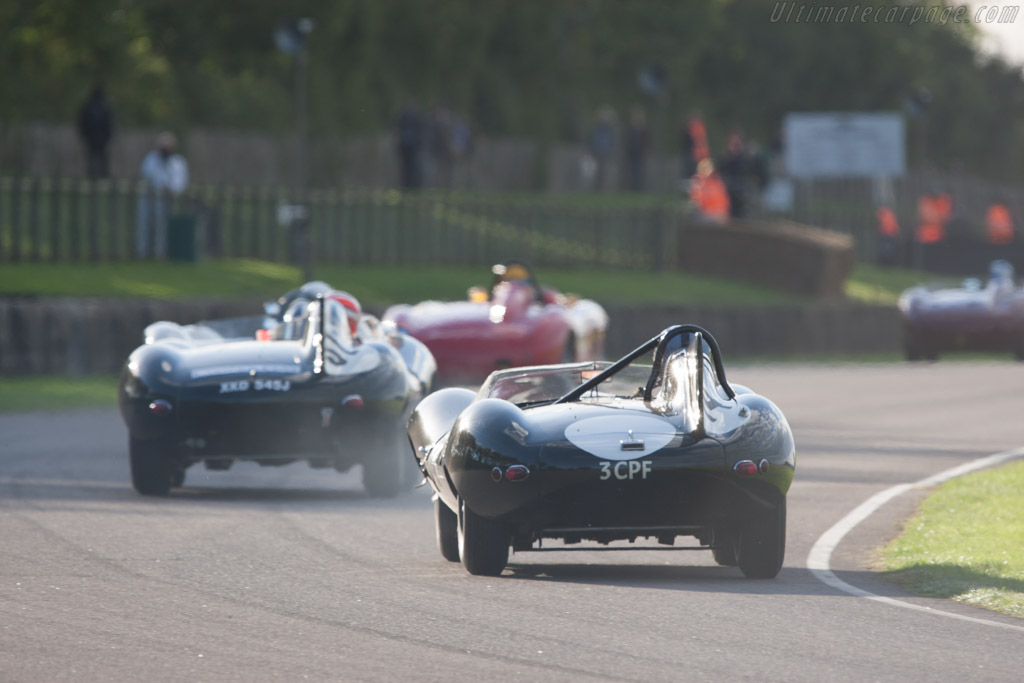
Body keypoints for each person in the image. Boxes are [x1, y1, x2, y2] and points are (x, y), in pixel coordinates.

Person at [136, 132, 189, 259]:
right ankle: (142, 252)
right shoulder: (151, 159)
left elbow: (181, 181)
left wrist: (172, 189)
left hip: (166, 199)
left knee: (162, 226)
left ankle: (160, 252)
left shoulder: (178, 162)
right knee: (144, 225)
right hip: (149, 196)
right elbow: (147, 174)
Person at [76, 85, 114, 179]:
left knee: (92, 155)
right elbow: (109, 123)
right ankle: (103, 174)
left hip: (91, 136)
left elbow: (82, 122)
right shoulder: (105, 106)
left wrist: (84, 134)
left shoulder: (88, 106)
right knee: (101, 156)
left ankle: (92, 174)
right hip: (101, 136)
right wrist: (108, 135)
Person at [688, 159, 730, 224]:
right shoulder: (718, 181)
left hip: (709, 216)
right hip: (720, 216)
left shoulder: (700, 183)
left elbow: (696, 202)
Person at [395, 99, 424, 189]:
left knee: (405, 168)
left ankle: (406, 185)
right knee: (412, 167)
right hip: (412, 147)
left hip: (405, 147)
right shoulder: (416, 116)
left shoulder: (401, 116)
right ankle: (411, 185)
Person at [624, 105, 648, 192]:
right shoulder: (630, 128)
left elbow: (645, 141)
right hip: (632, 153)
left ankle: (638, 189)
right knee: (632, 172)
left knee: (639, 172)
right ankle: (631, 188)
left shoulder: (643, 128)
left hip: (639, 153)